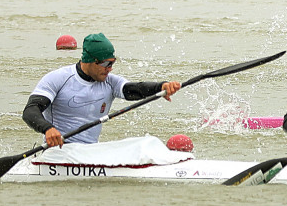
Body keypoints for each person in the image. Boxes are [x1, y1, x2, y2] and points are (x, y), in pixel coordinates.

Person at [23, 33, 182, 148]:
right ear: (90, 60)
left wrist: (161, 87)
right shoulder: (58, 78)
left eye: (112, 63)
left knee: (146, 144)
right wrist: (48, 129)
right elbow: (30, 110)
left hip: (91, 150)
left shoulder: (110, 82)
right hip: (59, 150)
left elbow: (134, 89)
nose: (110, 69)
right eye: (106, 64)